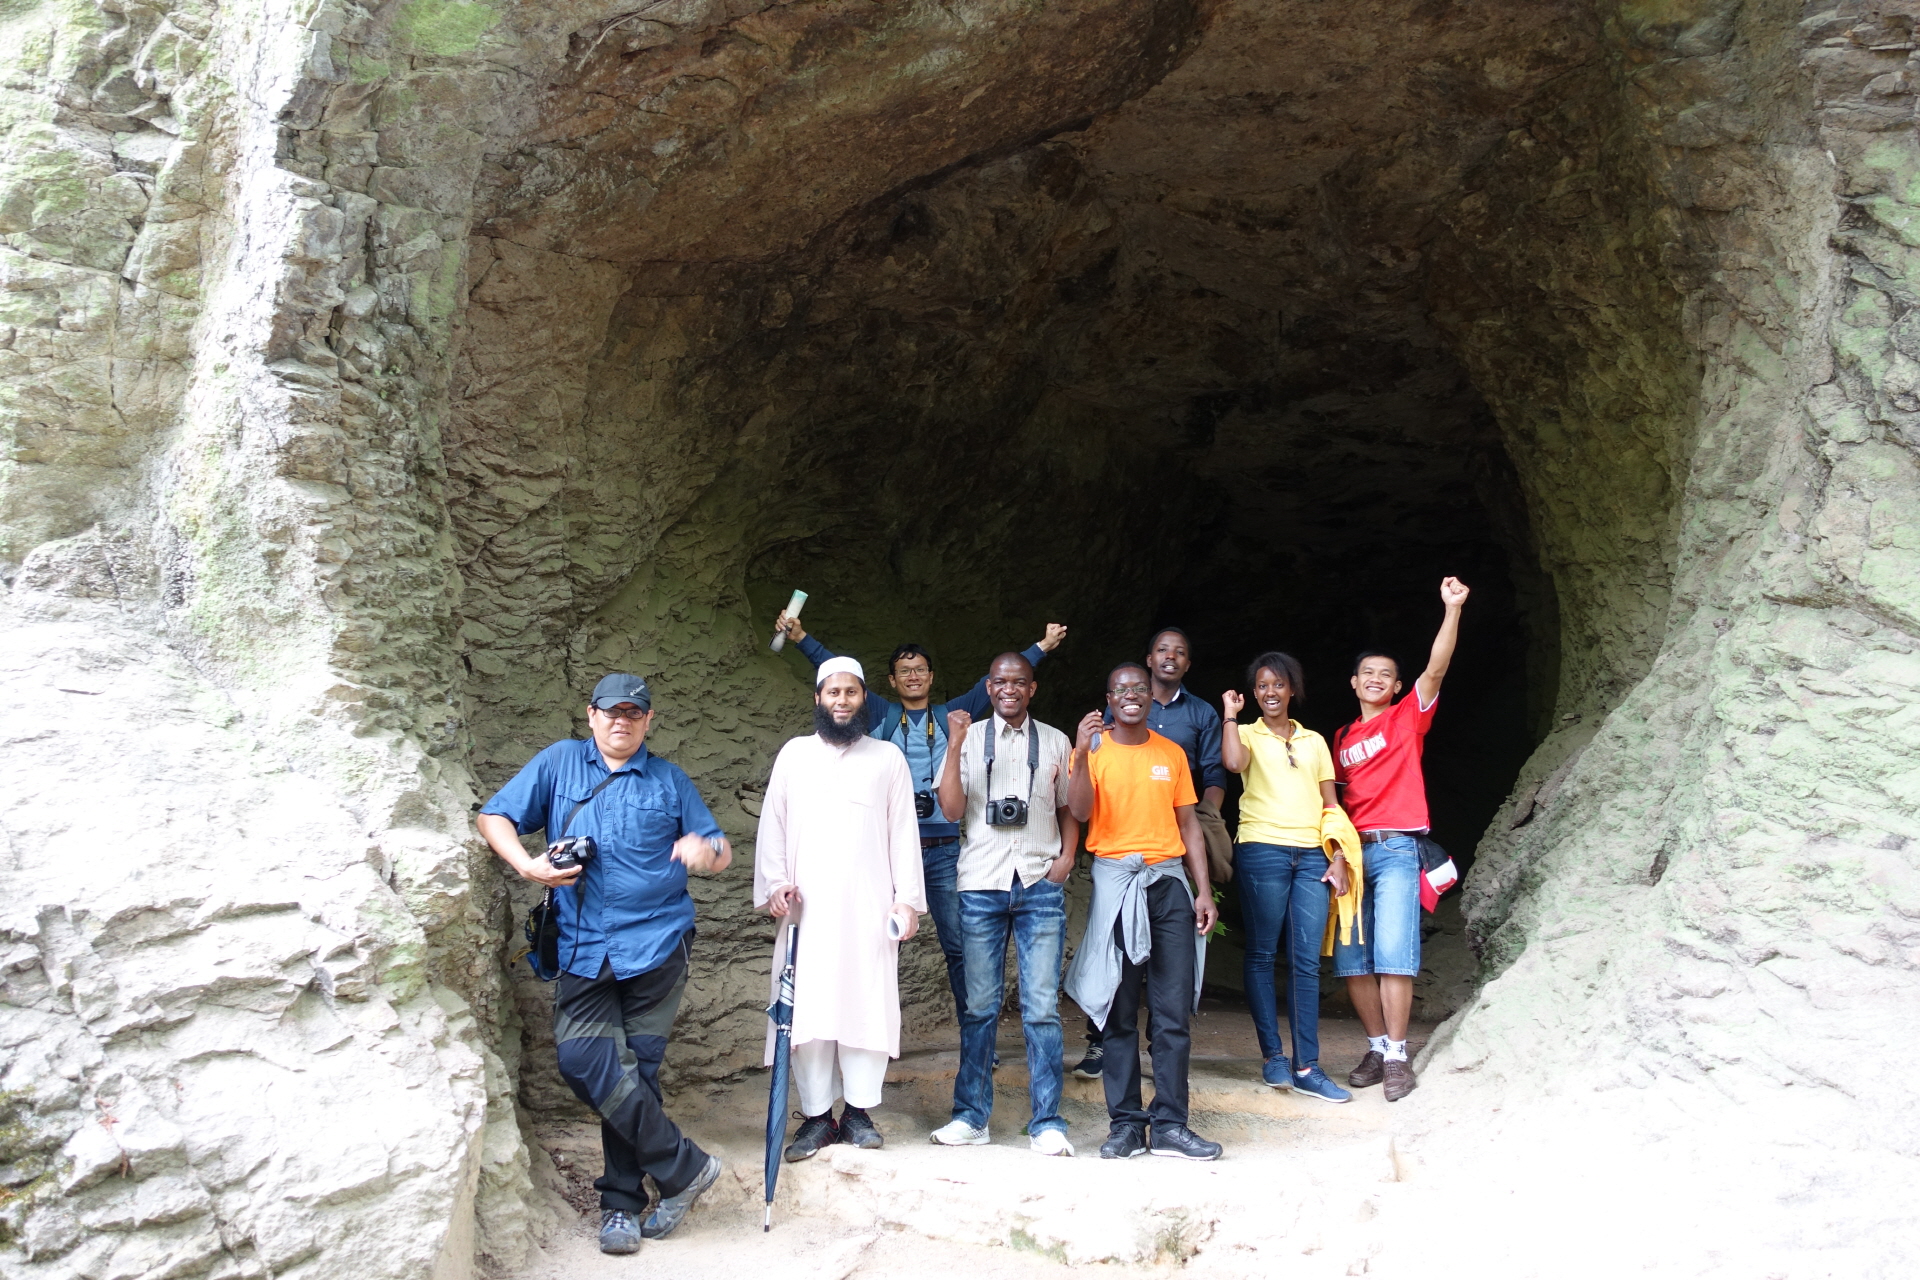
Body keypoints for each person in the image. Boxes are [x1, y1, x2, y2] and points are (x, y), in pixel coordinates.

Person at [477, 673, 731, 1256]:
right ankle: (684, 1168)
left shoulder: (669, 780)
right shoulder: (560, 763)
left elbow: (720, 849)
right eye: (611, 712)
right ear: (591, 715)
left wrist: (704, 852)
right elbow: (495, 816)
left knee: (634, 1072)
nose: (622, 721)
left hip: (658, 947)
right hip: (584, 946)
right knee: (583, 1059)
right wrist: (528, 866)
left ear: (648, 721)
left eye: (634, 713)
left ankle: (620, 1206)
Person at [775, 611, 1067, 1028]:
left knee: (960, 948)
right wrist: (802, 637)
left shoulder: (955, 714)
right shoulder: (880, 713)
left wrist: (1042, 647)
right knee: (878, 945)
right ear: (891, 681)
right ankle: (873, 1030)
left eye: (920, 670)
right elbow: (837, 674)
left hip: (944, 849)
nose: (912, 677)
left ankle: (975, 1036)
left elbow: (1003, 683)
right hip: (890, 852)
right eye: (903, 672)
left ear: (931, 676)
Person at [753, 656, 927, 1161]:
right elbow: (774, 827)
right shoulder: (793, 755)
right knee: (806, 1013)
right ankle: (815, 1117)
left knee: (865, 1005)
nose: (843, 701)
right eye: (834, 693)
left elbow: (902, 834)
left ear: (864, 699)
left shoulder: (887, 759)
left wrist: (907, 901)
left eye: (852, 693)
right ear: (818, 699)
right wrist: (776, 885)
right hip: (807, 911)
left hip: (869, 910)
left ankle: (858, 1113)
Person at [1063, 663, 1223, 1161]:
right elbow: (1081, 812)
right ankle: (1127, 1125)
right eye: (1121, 690)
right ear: (1108, 699)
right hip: (1116, 884)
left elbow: (1189, 826)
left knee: (1173, 1013)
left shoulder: (1171, 753)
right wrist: (1083, 754)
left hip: (1169, 884)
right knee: (1118, 1008)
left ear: (1151, 698)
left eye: (1140, 689)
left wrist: (1203, 890)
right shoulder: (1091, 750)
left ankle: (1172, 1124)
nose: (1131, 695)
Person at [926, 653, 1078, 1155]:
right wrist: (952, 745)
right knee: (980, 1008)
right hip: (981, 882)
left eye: (1018, 682)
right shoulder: (967, 737)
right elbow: (949, 810)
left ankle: (1048, 1122)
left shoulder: (1056, 741)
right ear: (987, 688)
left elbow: (1070, 809)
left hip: (1037, 879)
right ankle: (971, 1117)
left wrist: (1067, 858)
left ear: (1032, 689)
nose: (1008, 689)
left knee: (1041, 1009)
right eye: (999, 682)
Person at [1333, 576, 1471, 1102]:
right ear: (1353, 683)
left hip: (1395, 849)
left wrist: (1451, 609)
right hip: (1351, 854)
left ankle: (1396, 1054)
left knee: (1393, 954)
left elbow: (1436, 667)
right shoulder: (1341, 739)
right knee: (1352, 960)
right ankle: (1374, 1046)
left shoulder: (1405, 720)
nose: (1375, 680)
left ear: (1395, 687)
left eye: (1385, 676)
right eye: (1366, 673)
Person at [1220, 652, 1357, 1103]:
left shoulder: (1315, 741)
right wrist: (1229, 715)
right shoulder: (1245, 733)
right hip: (1262, 849)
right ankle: (1273, 1056)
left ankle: (1307, 1065)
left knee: (1306, 961)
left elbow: (1330, 804)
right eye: (1262, 686)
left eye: (1278, 685)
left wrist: (1337, 855)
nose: (1270, 692)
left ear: (1292, 690)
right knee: (1261, 952)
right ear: (1254, 693)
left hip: (1313, 857)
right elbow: (1234, 764)